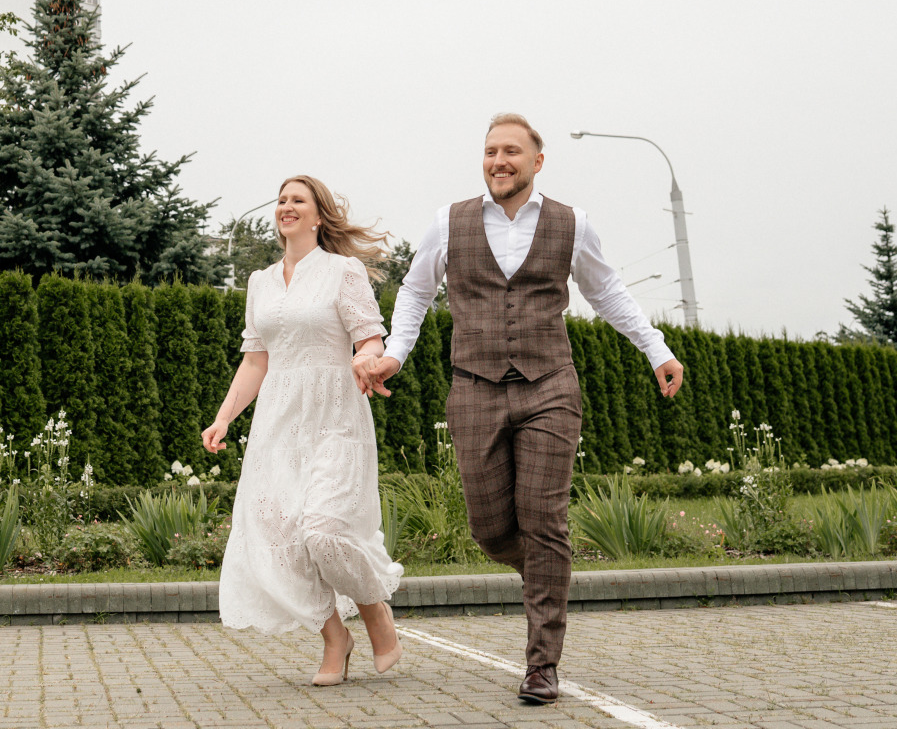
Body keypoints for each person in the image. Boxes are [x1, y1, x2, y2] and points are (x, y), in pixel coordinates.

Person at [356, 113, 684, 705]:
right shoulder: (449, 222)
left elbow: (605, 289)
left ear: (537, 161)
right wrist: (395, 353)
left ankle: (542, 665)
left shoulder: (571, 223)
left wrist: (655, 348)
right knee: (490, 528)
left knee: (545, 519)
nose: (498, 160)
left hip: (549, 386)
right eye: (489, 151)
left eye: (511, 151)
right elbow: (416, 291)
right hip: (474, 385)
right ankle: (543, 575)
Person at [204, 175, 405, 686]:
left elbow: (370, 339)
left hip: (336, 416)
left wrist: (366, 358)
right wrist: (224, 417)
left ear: (318, 216)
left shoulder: (343, 271)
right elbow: (255, 361)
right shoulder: (260, 282)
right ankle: (334, 637)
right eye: (281, 200)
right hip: (278, 423)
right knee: (281, 537)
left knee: (322, 530)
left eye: (298, 200)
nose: (286, 207)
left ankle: (374, 610)